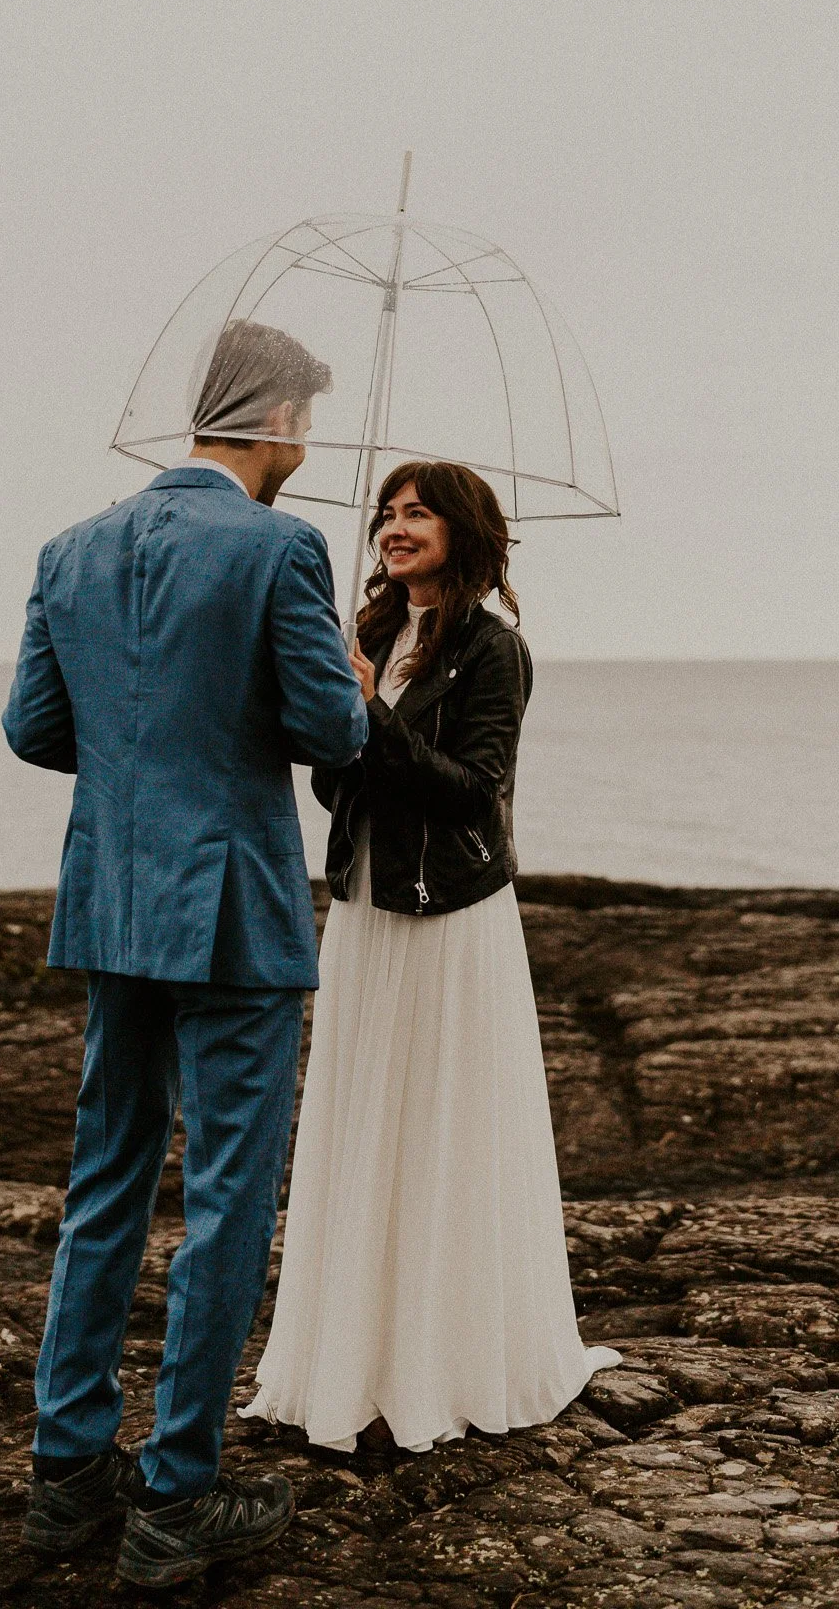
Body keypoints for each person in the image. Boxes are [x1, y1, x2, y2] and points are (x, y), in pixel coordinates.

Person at [3, 319, 367, 1591]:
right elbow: (332, 729)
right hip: (236, 915)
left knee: (104, 1176)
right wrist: (354, 685)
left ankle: (66, 1471)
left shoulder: (71, 547)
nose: (307, 446)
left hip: (114, 903)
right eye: (306, 421)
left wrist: (140, 774)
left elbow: (33, 725)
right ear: (270, 418)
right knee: (224, 1195)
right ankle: (176, 1491)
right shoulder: (281, 546)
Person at [242, 460, 619, 1454]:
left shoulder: (495, 649)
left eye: (419, 513)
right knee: (366, 1121)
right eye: (389, 512)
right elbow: (338, 790)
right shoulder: (365, 632)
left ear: (462, 529)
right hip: (363, 909)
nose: (396, 526)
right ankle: (349, 1357)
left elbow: (472, 789)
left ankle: (440, 1360)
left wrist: (366, 713)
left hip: (448, 913)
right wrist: (332, 712)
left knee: (441, 1124)